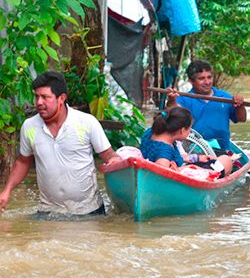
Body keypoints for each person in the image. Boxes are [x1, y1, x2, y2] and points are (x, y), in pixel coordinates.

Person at [0, 71, 121, 216]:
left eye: (45, 97)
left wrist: (118, 165)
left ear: (61, 98)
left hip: (89, 211)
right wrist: (6, 191)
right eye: (36, 96)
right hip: (48, 211)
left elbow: (109, 156)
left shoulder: (86, 123)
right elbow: (23, 162)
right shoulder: (29, 127)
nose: (39, 102)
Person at [165, 60, 246, 150]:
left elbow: (241, 119)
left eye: (209, 77)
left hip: (223, 149)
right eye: (201, 78)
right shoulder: (184, 99)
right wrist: (171, 100)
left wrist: (240, 105)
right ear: (191, 81)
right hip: (193, 149)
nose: (207, 82)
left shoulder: (224, 96)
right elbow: (172, 114)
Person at [140, 107, 233, 177]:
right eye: (189, 129)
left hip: (179, 167)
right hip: (183, 176)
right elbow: (160, 171)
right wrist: (181, 169)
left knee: (218, 160)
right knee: (226, 160)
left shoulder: (151, 132)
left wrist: (197, 158)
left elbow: (175, 157)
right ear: (182, 130)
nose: (189, 132)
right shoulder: (165, 151)